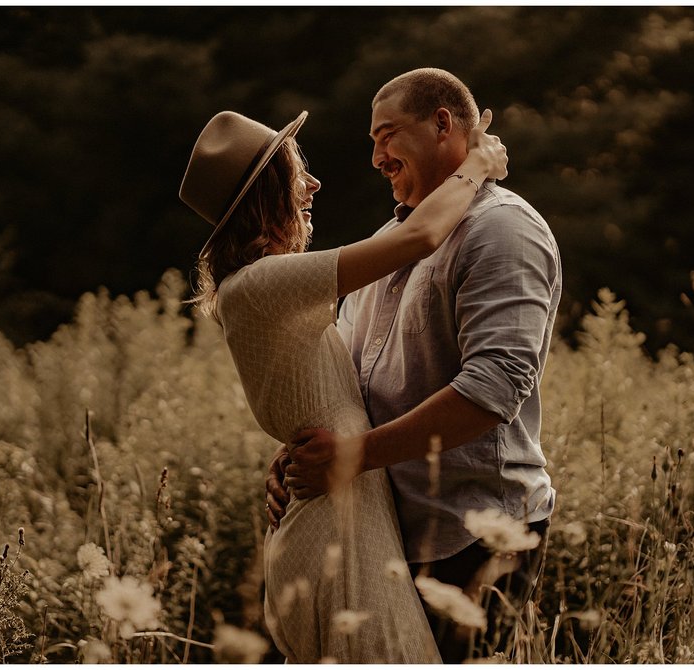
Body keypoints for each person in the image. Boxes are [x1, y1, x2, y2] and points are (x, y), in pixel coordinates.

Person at [179, 106, 507, 662]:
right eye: (295, 172)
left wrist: (295, 446)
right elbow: (422, 235)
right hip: (334, 524)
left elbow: (318, 394)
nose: (314, 183)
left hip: (338, 509)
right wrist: (477, 165)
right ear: (266, 196)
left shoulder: (266, 286)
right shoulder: (261, 284)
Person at [266, 68, 563, 662]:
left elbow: (493, 388)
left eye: (387, 135)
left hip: (477, 534)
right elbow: (348, 384)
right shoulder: (393, 240)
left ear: (444, 124)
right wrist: (295, 456)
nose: (376, 157)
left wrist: (352, 458)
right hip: (389, 531)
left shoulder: (502, 230)